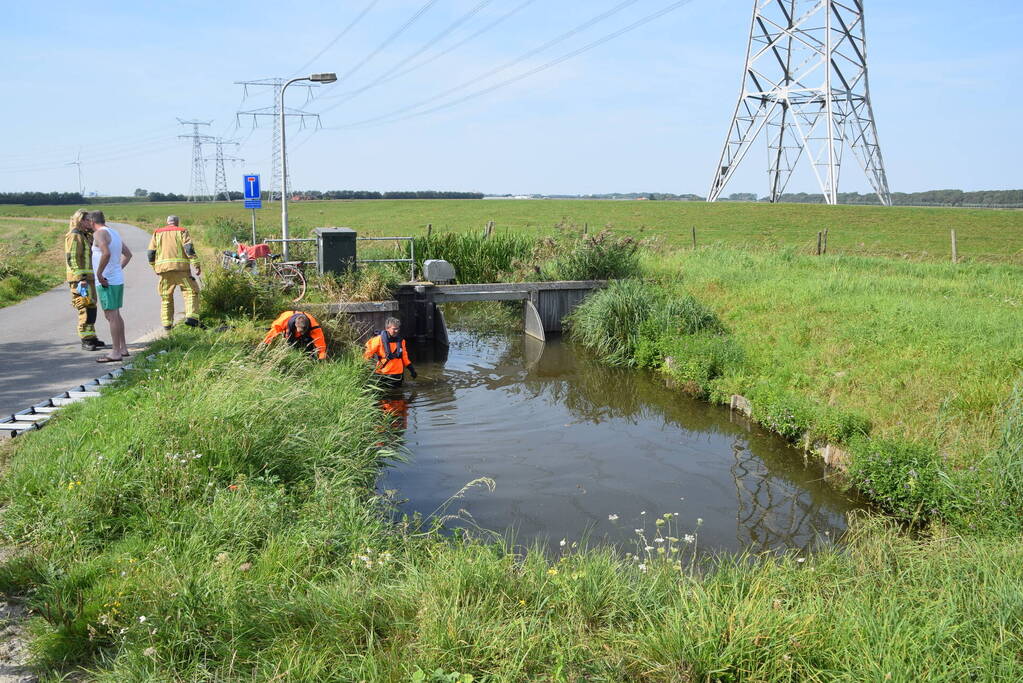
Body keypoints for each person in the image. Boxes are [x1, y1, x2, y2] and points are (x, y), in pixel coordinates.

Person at [90, 211, 133, 363]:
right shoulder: (114, 232)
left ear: (92, 221)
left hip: (106, 281)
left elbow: (106, 253)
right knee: (116, 314)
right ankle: (123, 348)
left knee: (111, 316)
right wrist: (117, 269)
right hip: (115, 279)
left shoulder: (99, 234)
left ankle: (115, 352)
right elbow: (128, 254)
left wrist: (100, 274)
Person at [147, 215, 200, 330]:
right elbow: (189, 249)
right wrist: (196, 265)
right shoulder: (182, 231)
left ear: (167, 222)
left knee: (166, 297)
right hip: (181, 269)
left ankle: (167, 325)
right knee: (191, 291)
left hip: (164, 271)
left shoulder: (157, 233)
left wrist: (154, 267)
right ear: (177, 222)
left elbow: (150, 253)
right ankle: (192, 318)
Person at [64, 209, 106, 350]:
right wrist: (80, 278)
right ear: (80, 220)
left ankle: (91, 337)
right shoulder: (75, 235)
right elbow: (73, 258)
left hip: (90, 278)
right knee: (84, 307)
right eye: (87, 220)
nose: (90, 222)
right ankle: (85, 339)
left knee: (91, 306)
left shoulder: (86, 235)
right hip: (80, 280)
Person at [363, 317, 417, 386]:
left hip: (398, 375)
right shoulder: (377, 340)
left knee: (398, 392)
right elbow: (367, 355)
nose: (397, 331)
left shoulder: (401, 341)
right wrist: (364, 369)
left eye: (398, 328)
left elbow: (404, 358)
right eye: (394, 329)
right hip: (383, 374)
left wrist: (412, 370)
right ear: (387, 328)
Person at [261, 311, 328, 359]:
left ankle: (308, 358)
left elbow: (320, 342)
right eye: (299, 331)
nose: (300, 333)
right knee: (289, 343)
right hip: (289, 330)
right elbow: (272, 333)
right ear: (295, 325)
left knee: (309, 345)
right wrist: (264, 344)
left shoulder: (314, 326)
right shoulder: (284, 320)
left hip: (306, 336)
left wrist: (321, 356)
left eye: (302, 332)